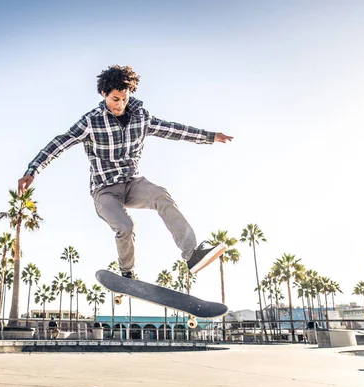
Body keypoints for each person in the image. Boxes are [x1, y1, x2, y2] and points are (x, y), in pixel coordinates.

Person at [18, 65, 233, 279]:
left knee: (161, 195)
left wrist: (210, 136)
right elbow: (60, 143)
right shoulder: (91, 122)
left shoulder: (141, 117)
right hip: (104, 191)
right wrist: (33, 169)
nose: (120, 104)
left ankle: (192, 255)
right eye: (114, 99)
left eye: (124, 98)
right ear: (104, 94)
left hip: (133, 184)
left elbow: (173, 130)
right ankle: (127, 273)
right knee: (126, 226)